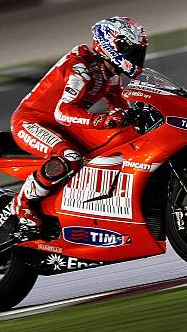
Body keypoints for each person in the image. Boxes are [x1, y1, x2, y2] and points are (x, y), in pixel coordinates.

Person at [10, 16, 147, 236]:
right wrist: (100, 121)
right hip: (31, 121)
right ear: (109, 44)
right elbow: (62, 111)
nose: (134, 56)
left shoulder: (109, 74)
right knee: (70, 157)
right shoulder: (81, 68)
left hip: (59, 126)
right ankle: (22, 204)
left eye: (137, 50)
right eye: (128, 49)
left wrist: (139, 115)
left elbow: (121, 105)